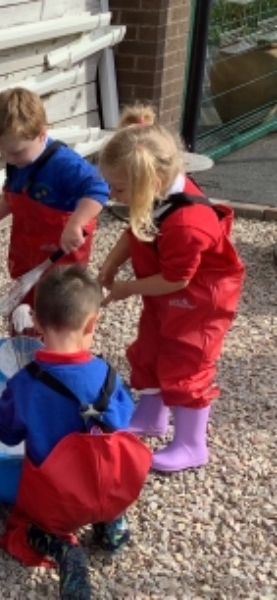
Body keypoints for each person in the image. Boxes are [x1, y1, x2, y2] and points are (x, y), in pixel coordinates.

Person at [97, 105, 245, 473]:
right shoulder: (154, 194)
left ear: (152, 180)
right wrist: (112, 262)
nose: (112, 195)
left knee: (186, 363)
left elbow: (178, 278)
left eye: (118, 188)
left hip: (199, 303)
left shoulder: (187, 224)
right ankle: (152, 416)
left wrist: (128, 287)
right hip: (167, 294)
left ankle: (192, 444)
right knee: (149, 349)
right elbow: (136, 228)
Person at [0, 266, 148, 600]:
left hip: (56, 501)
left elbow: (6, 434)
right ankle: (112, 529)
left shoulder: (25, 383)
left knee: (27, 527)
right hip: (111, 489)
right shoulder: (108, 375)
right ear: (92, 323)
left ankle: (64, 549)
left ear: (36, 322)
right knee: (106, 493)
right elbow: (123, 425)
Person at [0, 87, 109, 308]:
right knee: (26, 305)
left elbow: (99, 189)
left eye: (16, 152)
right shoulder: (17, 163)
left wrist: (76, 222)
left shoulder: (64, 164)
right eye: (1, 153)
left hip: (61, 256)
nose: (9, 159)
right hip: (26, 252)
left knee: (59, 306)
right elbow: (12, 199)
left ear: (42, 134)